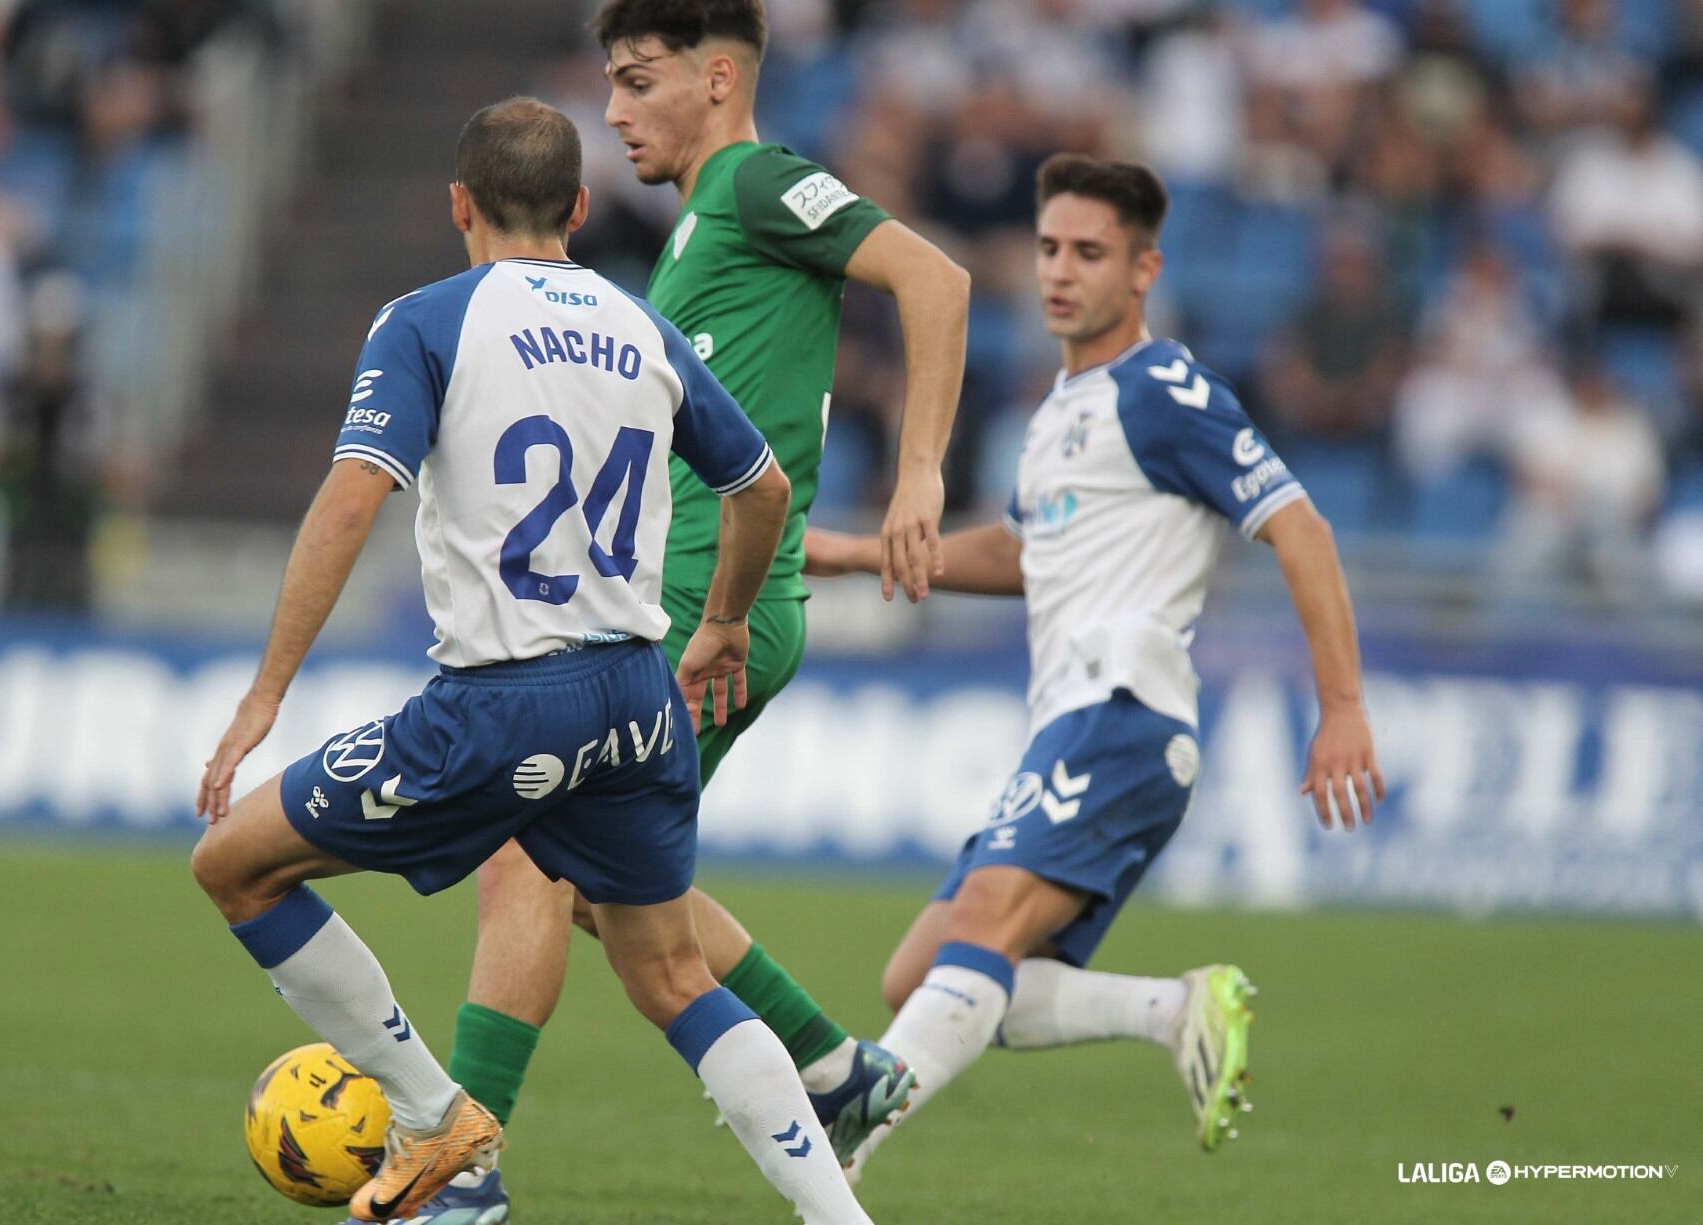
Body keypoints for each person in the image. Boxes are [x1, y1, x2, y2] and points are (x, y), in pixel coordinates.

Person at [190, 97, 880, 1225]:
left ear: (457, 203)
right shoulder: (639, 325)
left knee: (235, 864)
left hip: (503, 701)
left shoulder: (425, 320)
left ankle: (435, 1119)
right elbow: (759, 489)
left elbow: (353, 495)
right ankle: (838, 1218)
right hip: (639, 695)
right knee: (671, 975)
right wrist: (722, 620)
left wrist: (266, 692)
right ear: (579, 206)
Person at [407, 4, 971, 1219]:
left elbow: (936, 279)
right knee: (618, 901)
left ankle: (464, 1169)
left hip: (708, 609)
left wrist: (921, 470)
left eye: (637, 81)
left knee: (525, 863)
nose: (612, 113)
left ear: (718, 78)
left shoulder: (761, 182)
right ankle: (836, 1070)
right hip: (691, 600)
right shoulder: (702, 226)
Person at [803, 154, 1385, 1178]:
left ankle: (842, 1140)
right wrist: (854, 552)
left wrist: (1341, 708)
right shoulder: (1057, 411)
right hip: (1071, 718)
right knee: (920, 974)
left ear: (1145, 269)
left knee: (977, 930)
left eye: (1090, 252)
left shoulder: (1161, 390)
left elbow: (1301, 528)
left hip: (1126, 707)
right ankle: (1176, 1009)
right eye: (1048, 248)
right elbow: (1029, 554)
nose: (1060, 272)